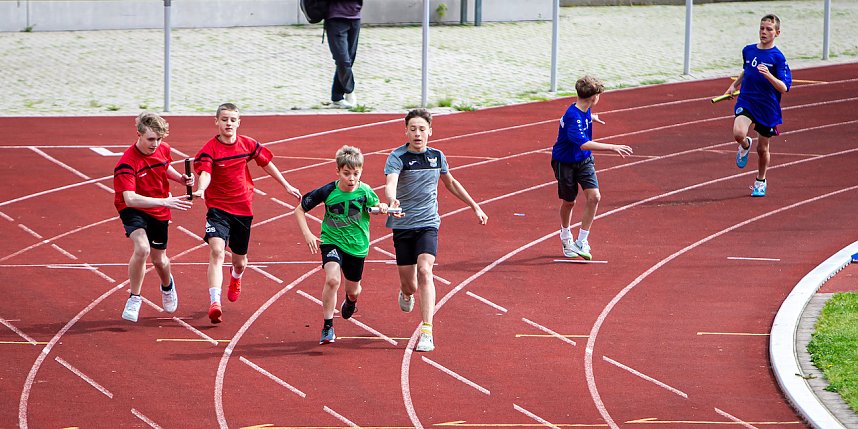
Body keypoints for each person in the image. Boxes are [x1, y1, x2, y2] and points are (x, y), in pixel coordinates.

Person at [384, 108, 488, 352]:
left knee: (425, 270)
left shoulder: (437, 157)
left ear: (430, 131)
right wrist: (392, 201)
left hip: (428, 223)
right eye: (413, 129)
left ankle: (427, 331)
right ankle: (406, 293)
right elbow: (391, 183)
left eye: (422, 129)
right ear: (406, 131)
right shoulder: (397, 157)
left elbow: (450, 182)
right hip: (402, 225)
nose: (417, 134)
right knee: (410, 284)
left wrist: (474, 206)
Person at [193, 103, 301, 324]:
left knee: (240, 262)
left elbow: (267, 164)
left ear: (239, 122)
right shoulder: (209, 149)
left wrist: (286, 185)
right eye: (224, 119)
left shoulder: (247, 144)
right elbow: (205, 172)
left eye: (232, 120)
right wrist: (202, 188)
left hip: (242, 209)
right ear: (216, 122)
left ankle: (236, 276)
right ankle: (215, 302)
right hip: (218, 209)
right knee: (217, 251)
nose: (228, 123)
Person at [294, 145, 389, 344]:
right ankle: (328, 326)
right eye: (347, 174)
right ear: (338, 171)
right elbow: (299, 210)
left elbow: (375, 207)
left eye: (356, 173)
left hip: (357, 246)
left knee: (354, 289)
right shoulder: (328, 191)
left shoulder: (365, 191)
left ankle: (351, 301)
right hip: (331, 241)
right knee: (332, 280)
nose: (352, 178)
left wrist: (382, 208)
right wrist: (308, 234)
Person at [114, 112, 194, 322]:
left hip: (159, 208)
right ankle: (135, 297)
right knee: (142, 248)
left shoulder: (163, 149)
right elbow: (130, 199)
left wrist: (181, 178)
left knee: (160, 260)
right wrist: (165, 202)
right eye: (151, 139)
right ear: (138, 134)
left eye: (159, 139)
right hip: (134, 208)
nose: (155, 144)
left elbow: (165, 166)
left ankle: (167, 286)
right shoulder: (127, 163)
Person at [552, 76, 633, 261]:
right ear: (593, 97)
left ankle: (581, 241)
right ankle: (566, 237)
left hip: (584, 161)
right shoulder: (574, 117)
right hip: (565, 163)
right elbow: (584, 144)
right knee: (569, 202)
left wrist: (592, 118)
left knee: (594, 197)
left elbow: (583, 118)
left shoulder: (584, 109)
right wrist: (613, 147)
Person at [725, 14, 791, 197]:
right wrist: (734, 85)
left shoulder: (778, 58)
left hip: (767, 107)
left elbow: (784, 87)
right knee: (738, 132)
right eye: (762, 28)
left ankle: (760, 180)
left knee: (762, 149)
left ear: (777, 33)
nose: (764, 32)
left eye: (769, 29)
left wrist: (768, 75)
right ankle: (745, 144)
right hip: (747, 100)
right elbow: (747, 70)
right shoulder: (748, 50)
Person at [325, 0, 363, 108]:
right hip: (335, 17)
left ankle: (337, 97)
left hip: (355, 16)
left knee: (349, 59)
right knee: (342, 60)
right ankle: (349, 91)